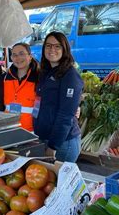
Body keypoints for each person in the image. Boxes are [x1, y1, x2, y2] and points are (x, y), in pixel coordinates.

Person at [33, 31, 83, 163]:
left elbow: (65, 115)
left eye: (57, 46)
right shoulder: (46, 71)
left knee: (59, 182)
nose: (52, 50)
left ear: (64, 49)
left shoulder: (70, 76)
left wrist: (53, 146)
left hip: (62, 144)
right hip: (44, 138)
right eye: (48, 46)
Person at [4, 43, 39, 131]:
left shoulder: (39, 78)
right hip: (8, 129)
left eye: (21, 54)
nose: (18, 58)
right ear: (11, 58)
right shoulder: (5, 78)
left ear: (30, 56)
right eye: (14, 55)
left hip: (31, 131)